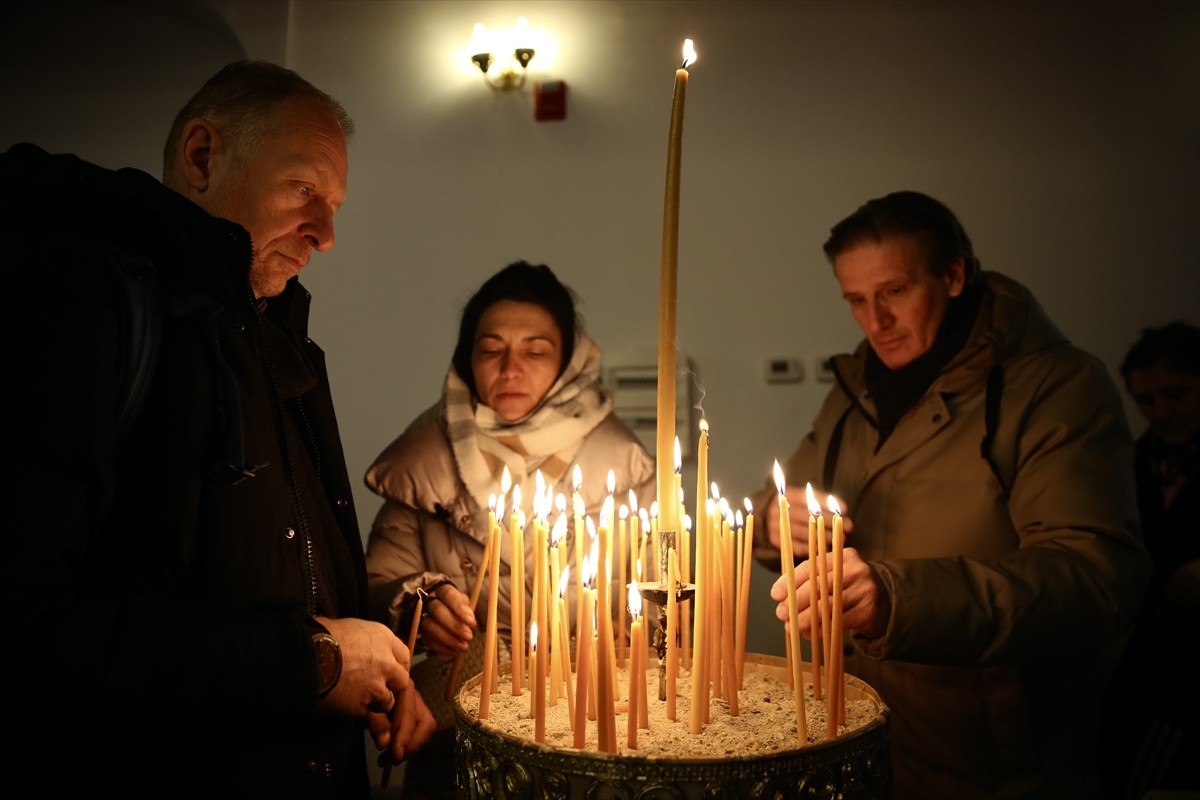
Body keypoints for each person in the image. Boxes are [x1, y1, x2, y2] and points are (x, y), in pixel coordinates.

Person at [0, 61, 434, 798]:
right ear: (204, 156)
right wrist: (314, 661)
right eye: (304, 189)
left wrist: (374, 669)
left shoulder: (268, 337)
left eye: (334, 205)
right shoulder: (81, 307)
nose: (326, 235)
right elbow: (31, 631)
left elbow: (287, 568)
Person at [751, 191, 1150, 799]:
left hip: (994, 762)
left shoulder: (1057, 386)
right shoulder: (857, 389)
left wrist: (899, 599)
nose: (874, 322)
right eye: (856, 300)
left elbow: (1095, 579)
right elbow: (787, 497)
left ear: (955, 274)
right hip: (860, 736)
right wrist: (774, 524)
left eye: (894, 292)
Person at [363, 260, 656, 799]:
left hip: (591, 728)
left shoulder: (623, 468)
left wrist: (626, 617)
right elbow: (379, 583)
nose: (510, 368)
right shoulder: (422, 464)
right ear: (466, 359)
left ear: (568, 362)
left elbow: (663, 590)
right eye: (491, 349)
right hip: (457, 726)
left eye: (535, 351)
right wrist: (419, 604)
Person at [1099, 321, 1200, 799]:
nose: (1161, 412)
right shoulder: (1136, 462)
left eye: (1176, 394)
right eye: (1146, 400)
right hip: (1142, 657)